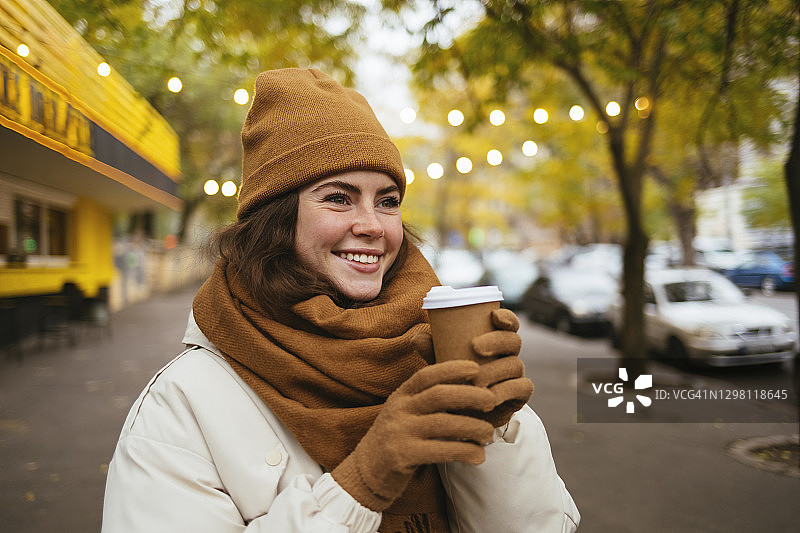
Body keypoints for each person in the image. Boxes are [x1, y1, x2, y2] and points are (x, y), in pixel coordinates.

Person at [101, 68, 579, 533]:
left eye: (387, 201)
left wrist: (495, 433)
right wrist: (362, 482)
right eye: (338, 198)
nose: (372, 225)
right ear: (276, 219)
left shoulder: (431, 350)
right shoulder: (182, 402)